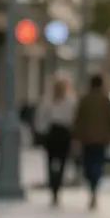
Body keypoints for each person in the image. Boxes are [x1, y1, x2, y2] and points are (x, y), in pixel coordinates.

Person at [72, 74, 110, 210]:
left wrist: (76, 136)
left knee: (88, 164)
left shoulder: (85, 100)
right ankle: (94, 186)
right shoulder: (105, 100)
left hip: (87, 139)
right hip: (101, 139)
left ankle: (92, 186)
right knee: (98, 163)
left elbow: (78, 119)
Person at [35, 77, 76, 205]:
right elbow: (40, 119)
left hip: (64, 134)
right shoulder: (47, 101)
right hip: (52, 133)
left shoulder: (70, 102)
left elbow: (73, 119)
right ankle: (53, 187)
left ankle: (57, 186)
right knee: (51, 161)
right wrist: (42, 132)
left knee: (62, 162)